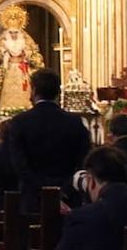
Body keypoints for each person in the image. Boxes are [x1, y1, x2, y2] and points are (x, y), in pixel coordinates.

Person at [8, 68, 92, 213]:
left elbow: (19, 165)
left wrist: (42, 192)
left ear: (33, 91)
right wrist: (63, 190)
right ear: (58, 92)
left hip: (33, 199)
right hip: (68, 198)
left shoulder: (19, 122)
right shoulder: (75, 122)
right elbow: (83, 161)